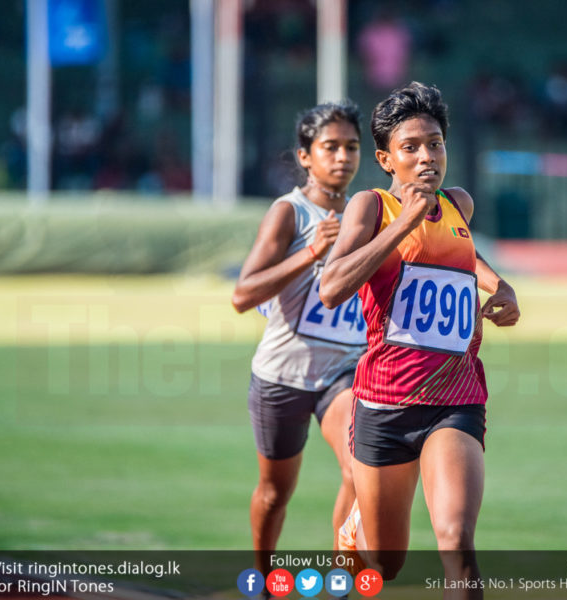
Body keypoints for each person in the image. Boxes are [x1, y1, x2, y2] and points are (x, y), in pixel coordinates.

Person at [319, 82, 520, 594]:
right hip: (384, 404)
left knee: (457, 542)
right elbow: (332, 287)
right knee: (385, 564)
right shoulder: (371, 208)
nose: (427, 156)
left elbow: (460, 250)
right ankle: (355, 529)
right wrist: (403, 222)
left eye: (435, 143)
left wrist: (499, 286)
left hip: (456, 400)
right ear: (386, 159)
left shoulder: (458, 205)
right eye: (410, 147)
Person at [231, 101, 366, 578]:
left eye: (352, 146)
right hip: (282, 375)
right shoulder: (289, 213)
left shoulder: (366, 212)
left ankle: (340, 578)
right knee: (274, 494)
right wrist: (312, 251)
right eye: (330, 147)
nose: (343, 157)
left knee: (360, 471)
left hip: (343, 373)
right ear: (305, 156)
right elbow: (242, 295)